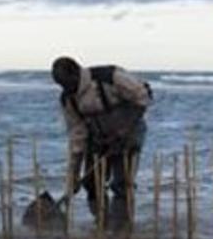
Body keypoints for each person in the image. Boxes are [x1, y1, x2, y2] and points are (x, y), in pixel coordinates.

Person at [51, 56, 152, 218]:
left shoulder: (109, 77)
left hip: (130, 133)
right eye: (61, 85)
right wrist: (73, 178)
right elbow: (77, 137)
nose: (66, 89)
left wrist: (124, 130)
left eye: (67, 83)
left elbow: (143, 96)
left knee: (121, 185)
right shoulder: (68, 99)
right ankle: (102, 227)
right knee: (92, 183)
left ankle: (121, 228)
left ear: (76, 73)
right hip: (99, 138)